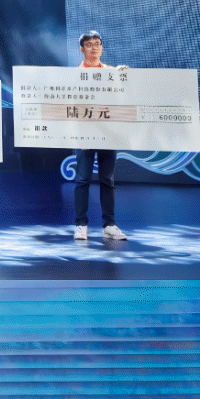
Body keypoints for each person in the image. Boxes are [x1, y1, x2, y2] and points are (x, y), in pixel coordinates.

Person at [73, 30, 128, 242]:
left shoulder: (112, 72)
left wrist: (123, 78)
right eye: (89, 44)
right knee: (82, 179)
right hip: (85, 133)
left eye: (97, 43)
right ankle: (81, 225)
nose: (94, 48)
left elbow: (123, 97)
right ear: (82, 49)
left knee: (108, 179)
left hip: (108, 131)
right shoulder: (74, 75)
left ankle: (109, 225)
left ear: (102, 47)